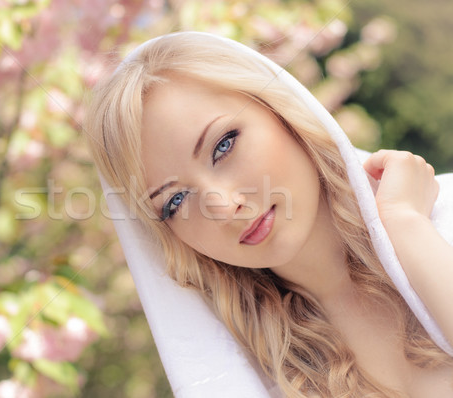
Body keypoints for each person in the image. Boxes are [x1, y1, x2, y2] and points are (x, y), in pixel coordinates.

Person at [84, 32, 453, 397]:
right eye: (175, 201)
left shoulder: (440, 221)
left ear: (282, 111)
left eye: (223, 146)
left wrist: (408, 227)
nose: (225, 207)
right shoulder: (246, 378)